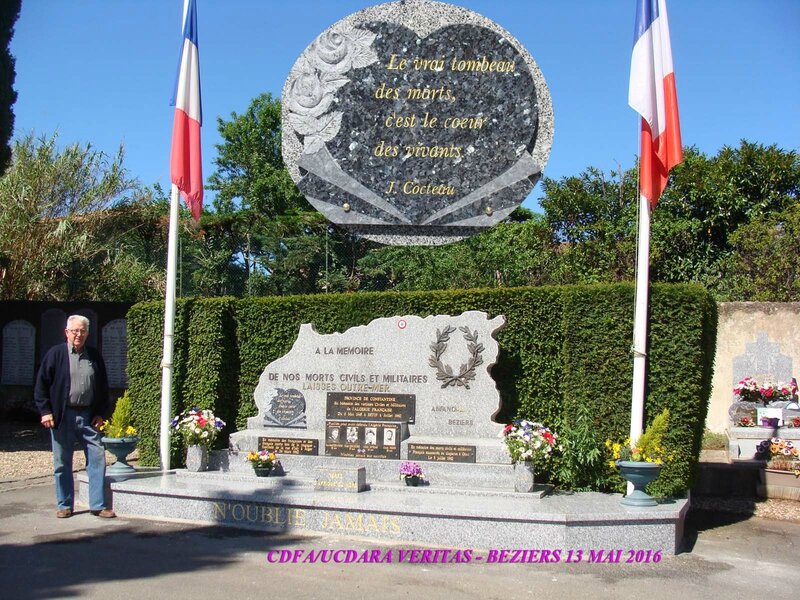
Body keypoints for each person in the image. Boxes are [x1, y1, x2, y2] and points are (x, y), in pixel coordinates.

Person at [34, 315, 115, 518]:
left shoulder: (94, 356)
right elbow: (41, 385)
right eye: (74, 331)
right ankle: (64, 505)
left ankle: (97, 505)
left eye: (82, 331)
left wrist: (100, 413)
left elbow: (103, 388)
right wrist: (45, 412)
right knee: (62, 462)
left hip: (88, 416)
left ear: (87, 333)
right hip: (62, 416)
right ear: (67, 332)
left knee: (97, 458)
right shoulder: (55, 355)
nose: (78, 334)